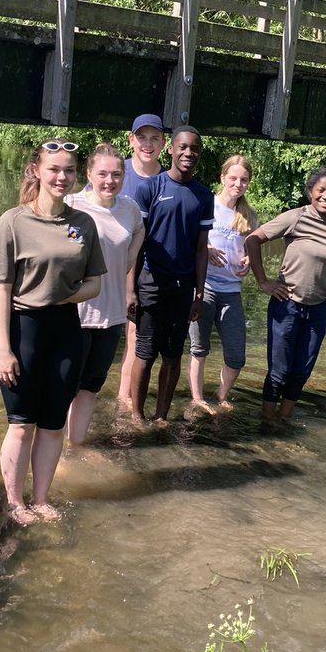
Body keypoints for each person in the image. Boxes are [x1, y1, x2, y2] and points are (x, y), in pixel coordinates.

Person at [0, 138, 106, 524]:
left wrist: (68, 293)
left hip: (66, 330)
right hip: (23, 330)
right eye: (54, 169)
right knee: (22, 425)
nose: (62, 177)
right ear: (36, 170)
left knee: (53, 424)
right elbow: (1, 289)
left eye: (69, 170)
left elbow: (95, 284)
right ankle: (14, 502)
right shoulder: (13, 221)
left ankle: (40, 499)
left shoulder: (83, 224)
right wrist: (4, 349)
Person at [243, 165, 326, 422]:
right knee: (279, 371)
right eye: (321, 190)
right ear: (310, 191)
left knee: (301, 371)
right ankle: (267, 422)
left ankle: (285, 420)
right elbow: (252, 240)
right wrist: (264, 282)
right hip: (286, 305)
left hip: (318, 308)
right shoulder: (296, 217)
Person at [130, 126, 214, 423]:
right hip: (151, 283)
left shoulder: (203, 195)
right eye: (183, 147)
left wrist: (199, 293)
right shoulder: (151, 188)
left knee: (173, 355)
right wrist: (131, 290)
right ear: (171, 150)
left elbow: (201, 249)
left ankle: (161, 417)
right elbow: (136, 244)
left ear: (199, 154)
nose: (188, 153)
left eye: (194, 149)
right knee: (145, 352)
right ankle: (137, 417)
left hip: (183, 289)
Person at [65, 143, 144, 446]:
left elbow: (139, 230)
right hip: (76, 314)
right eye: (102, 174)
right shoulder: (72, 204)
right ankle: (52, 450)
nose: (110, 181)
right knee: (66, 388)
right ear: (88, 174)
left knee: (91, 388)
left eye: (116, 174)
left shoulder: (128, 208)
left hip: (111, 316)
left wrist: (129, 259)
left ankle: (76, 447)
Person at [187, 154, 259, 412]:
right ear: (223, 178)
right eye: (233, 178)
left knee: (237, 355)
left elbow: (252, 250)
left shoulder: (250, 215)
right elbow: (188, 241)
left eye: (244, 180)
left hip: (231, 292)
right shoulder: (207, 204)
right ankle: (197, 400)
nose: (238, 184)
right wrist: (205, 248)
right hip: (203, 288)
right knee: (199, 349)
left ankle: (221, 396)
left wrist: (251, 260)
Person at [115, 114, 166, 407]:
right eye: (142, 137)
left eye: (154, 138)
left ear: (163, 143)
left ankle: (124, 399)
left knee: (135, 333)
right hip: (111, 266)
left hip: (147, 270)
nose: (148, 144)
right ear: (131, 139)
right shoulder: (115, 172)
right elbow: (82, 209)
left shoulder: (167, 178)